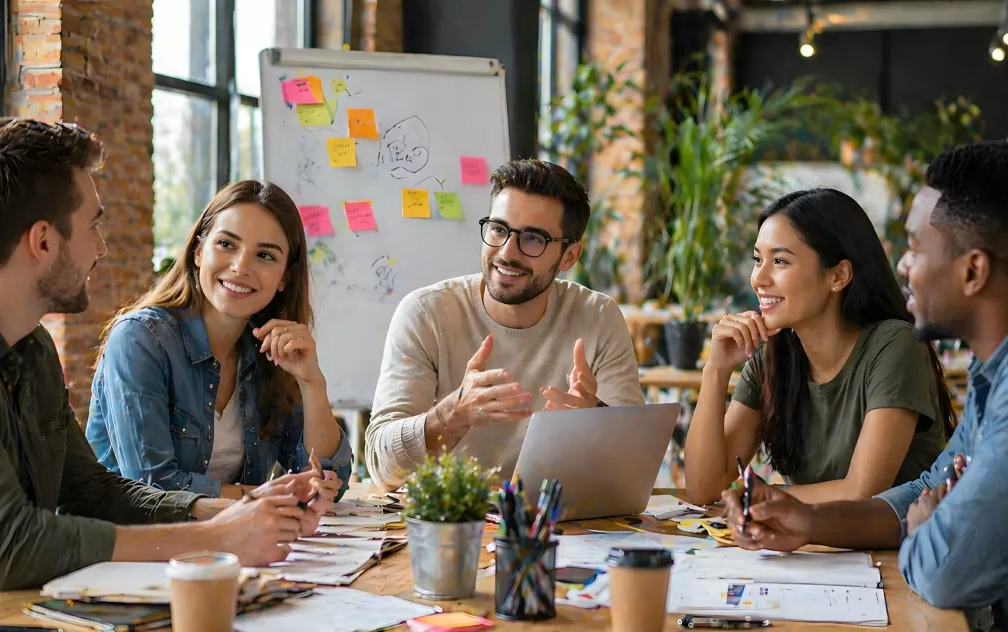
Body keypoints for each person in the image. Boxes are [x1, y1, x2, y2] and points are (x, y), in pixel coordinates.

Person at [718, 142, 1008, 632]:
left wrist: (927, 525)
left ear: (973, 271)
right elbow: (924, 488)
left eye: (914, 247)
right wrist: (810, 520)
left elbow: (948, 570)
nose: (903, 265)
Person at [0, 117, 333, 615]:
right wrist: (208, 536)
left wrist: (226, 511)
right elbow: (6, 545)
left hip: (10, 624)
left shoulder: (30, 347)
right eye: (93, 226)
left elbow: (90, 492)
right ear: (44, 241)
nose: (102, 248)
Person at [365, 159, 645, 490]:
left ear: (569, 257)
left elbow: (636, 469)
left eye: (533, 239)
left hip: (559, 528)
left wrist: (595, 420)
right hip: (451, 523)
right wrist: (453, 414)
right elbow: (383, 470)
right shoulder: (426, 314)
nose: (507, 253)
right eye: (498, 229)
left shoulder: (598, 317)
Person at [684, 188, 955, 505]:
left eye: (780, 261)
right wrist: (716, 371)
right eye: (758, 260)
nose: (759, 278)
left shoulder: (894, 344)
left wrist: (750, 499)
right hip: (814, 550)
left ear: (838, 275)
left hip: (898, 550)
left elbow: (862, 493)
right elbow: (703, 489)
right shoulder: (773, 355)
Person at [86, 180, 352, 501]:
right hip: (136, 546)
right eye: (227, 244)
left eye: (265, 255)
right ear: (199, 252)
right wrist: (265, 497)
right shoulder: (140, 340)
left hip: (226, 546)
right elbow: (153, 488)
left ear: (285, 278)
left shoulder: (269, 351)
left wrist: (312, 383)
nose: (240, 267)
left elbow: (324, 482)